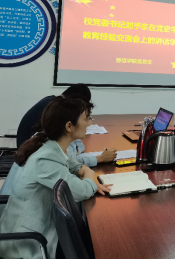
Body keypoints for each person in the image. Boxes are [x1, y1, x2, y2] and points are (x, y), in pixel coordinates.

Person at [0, 97, 111, 258]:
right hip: (24, 243)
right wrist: (90, 176)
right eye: (86, 118)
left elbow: (75, 165)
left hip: (39, 228)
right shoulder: (46, 157)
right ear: (69, 126)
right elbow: (82, 191)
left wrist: (86, 176)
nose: (89, 123)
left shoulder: (51, 144)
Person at [15, 85, 116, 167]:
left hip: (27, 149)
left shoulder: (53, 102)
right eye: (85, 117)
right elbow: (68, 162)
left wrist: (75, 150)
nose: (88, 122)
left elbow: (73, 151)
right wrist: (99, 158)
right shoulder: (56, 112)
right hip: (26, 152)